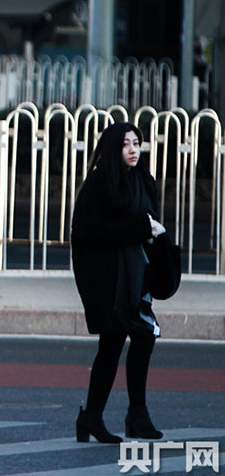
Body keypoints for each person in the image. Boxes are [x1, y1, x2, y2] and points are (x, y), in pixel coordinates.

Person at [71, 122, 166, 443]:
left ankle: (126, 415)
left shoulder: (143, 181)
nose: (133, 149)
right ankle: (97, 417)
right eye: (126, 144)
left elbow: (148, 224)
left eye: (137, 142)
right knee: (111, 347)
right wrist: (139, 228)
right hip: (108, 281)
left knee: (141, 339)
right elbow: (88, 234)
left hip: (137, 278)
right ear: (114, 148)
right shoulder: (99, 183)